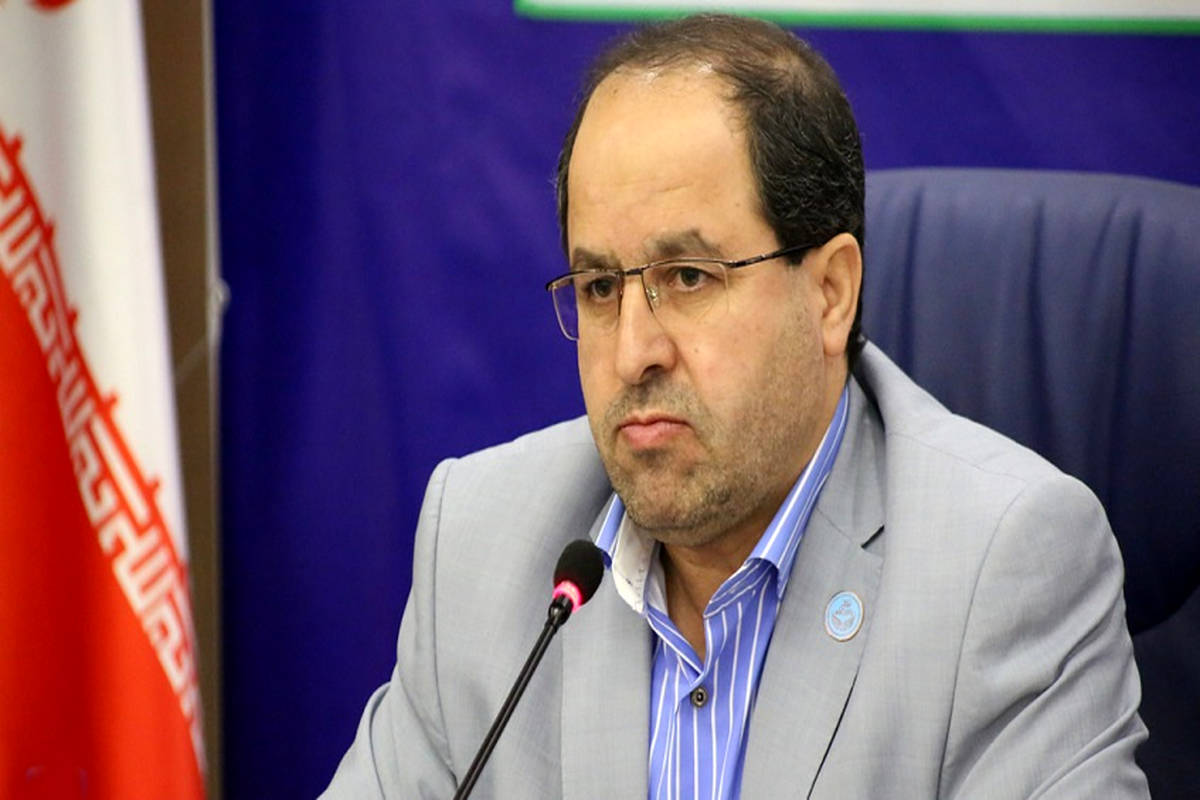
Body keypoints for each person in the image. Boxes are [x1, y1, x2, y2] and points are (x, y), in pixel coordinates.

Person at [322, 14, 1148, 799]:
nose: (633, 352)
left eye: (688, 278)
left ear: (830, 293)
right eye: (601, 287)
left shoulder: (1002, 569)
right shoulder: (481, 542)